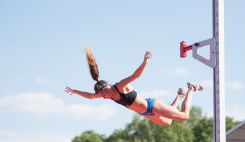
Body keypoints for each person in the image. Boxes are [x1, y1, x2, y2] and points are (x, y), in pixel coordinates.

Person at [65, 46, 203, 126]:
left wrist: (144, 62)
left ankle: (191, 88)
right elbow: (89, 96)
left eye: (103, 95)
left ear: (106, 89)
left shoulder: (120, 86)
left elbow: (135, 75)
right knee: (169, 122)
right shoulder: (105, 93)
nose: (104, 98)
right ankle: (179, 95)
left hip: (151, 106)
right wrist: (74, 91)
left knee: (184, 116)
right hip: (145, 113)